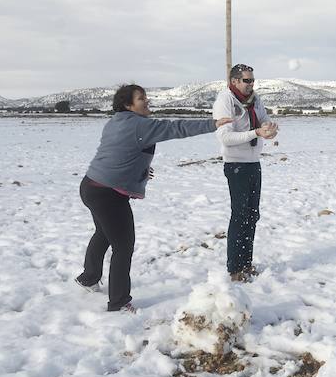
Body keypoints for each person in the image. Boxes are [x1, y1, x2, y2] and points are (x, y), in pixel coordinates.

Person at [76, 84, 230, 312]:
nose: (147, 100)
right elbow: (176, 128)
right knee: (123, 246)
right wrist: (212, 124)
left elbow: (118, 152)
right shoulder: (141, 125)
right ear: (128, 105)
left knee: (103, 233)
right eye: (141, 98)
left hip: (91, 186)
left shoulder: (116, 122)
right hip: (108, 194)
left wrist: (138, 170)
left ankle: (88, 278)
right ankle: (118, 302)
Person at [213, 64, 278, 282]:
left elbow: (263, 119)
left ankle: (246, 264)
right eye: (247, 80)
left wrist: (269, 129)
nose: (251, 84)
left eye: (252, 80)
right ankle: (234, 268)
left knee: (252, 215)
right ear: (234, 81)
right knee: (240, 215)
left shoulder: (255, 99)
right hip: (236, 164)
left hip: (253, 162)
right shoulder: (226, 101)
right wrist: (255, 132)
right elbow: (225, 137)